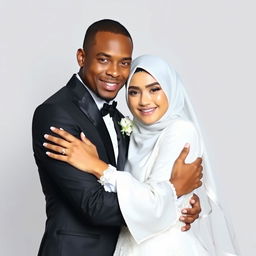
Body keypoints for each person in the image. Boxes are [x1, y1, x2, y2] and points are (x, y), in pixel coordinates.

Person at [32, 20, 202, 256]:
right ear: (82, 57)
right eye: (103, 59)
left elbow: (141, 181)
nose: (114, 71)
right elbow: (95, 206)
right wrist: (171, 198)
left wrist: (177, 205)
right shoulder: (56, 113)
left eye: (124, 63)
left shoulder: (123, 119)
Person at [44, 55, 239, 255]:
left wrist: (97, 166)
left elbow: (154, 204)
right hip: (127, 243)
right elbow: (154, 197)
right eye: (134, 92)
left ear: (171, 89)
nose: (144, 101)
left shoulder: (180, 131)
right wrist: (177, 198)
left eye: (154, 89)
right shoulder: (130, 129)